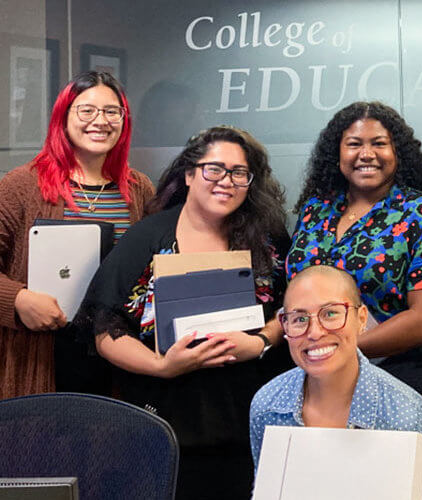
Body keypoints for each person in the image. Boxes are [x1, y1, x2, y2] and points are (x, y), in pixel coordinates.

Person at [79, 126, 293, 499]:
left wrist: (258, 343)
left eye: (239, 173)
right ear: (190, 174)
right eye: (214, 169)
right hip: (165, 429)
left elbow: (292, 311)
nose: (226, 181)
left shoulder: (267, 239)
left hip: (252, 427)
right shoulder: (148, 238)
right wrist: (162, 366)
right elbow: (104, 328)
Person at [287, 101, 422, 395]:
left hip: (394, 374)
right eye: (354, 144)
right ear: (337, 153)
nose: (366, 154)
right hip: (311, 371)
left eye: (379, 144)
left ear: (397, 153)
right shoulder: (314, 211)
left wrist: (335, 349)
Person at [0, 70, 154, 399]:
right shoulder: (21, 186)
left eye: (112, 111)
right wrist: (18, 300)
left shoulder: (138, 189)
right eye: (87, 110)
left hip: (117, 354)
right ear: (63, 116)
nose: (100, 120)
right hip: (44, 354)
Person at [250, 265, 422, 500]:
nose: (315, 332)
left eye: (330, 314)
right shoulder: (267, 405)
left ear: (361, 319)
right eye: (299, 319)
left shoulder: (408, 417)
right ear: (285, 326)